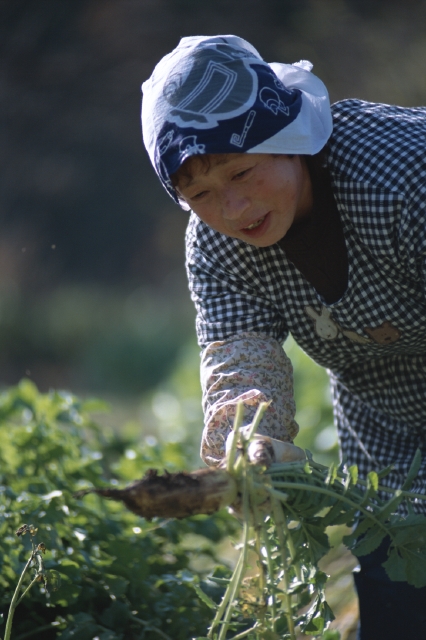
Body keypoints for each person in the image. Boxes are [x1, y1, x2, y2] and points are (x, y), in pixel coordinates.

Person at [141, 35, 426, 640]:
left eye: (242, 171)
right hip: (385, 425)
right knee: (400, 597)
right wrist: (253, 439)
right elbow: (239, 359)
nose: (234, 207)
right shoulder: (216, 247)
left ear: (287, 137)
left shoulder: (401, 173)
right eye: (200, 194)